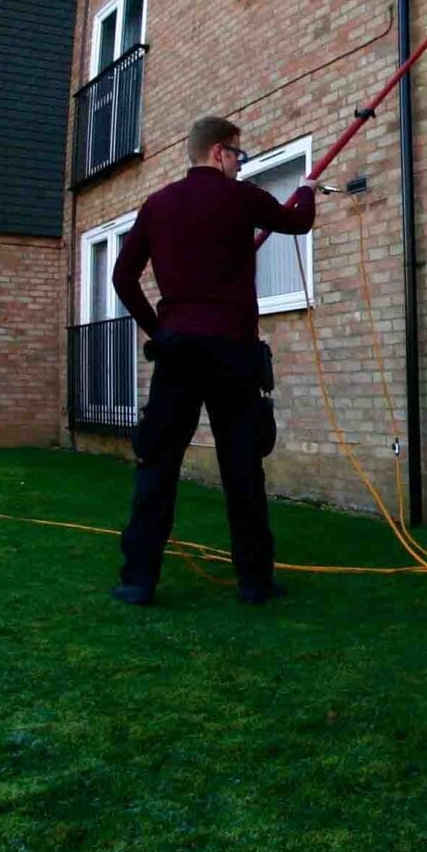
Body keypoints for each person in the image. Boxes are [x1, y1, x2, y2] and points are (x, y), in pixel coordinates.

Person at [107, 115, 316, 606]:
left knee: (158, 462)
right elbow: (297, 222)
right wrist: (306, 190)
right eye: (238, 155)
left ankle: (138, 580)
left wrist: (159, 330)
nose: (240, 165)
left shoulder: (157, 204)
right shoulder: (240, 198)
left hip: (178, 350)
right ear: (220, 152)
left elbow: (123, 278)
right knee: (242, 466)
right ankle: (255, 581)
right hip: (233, 351)